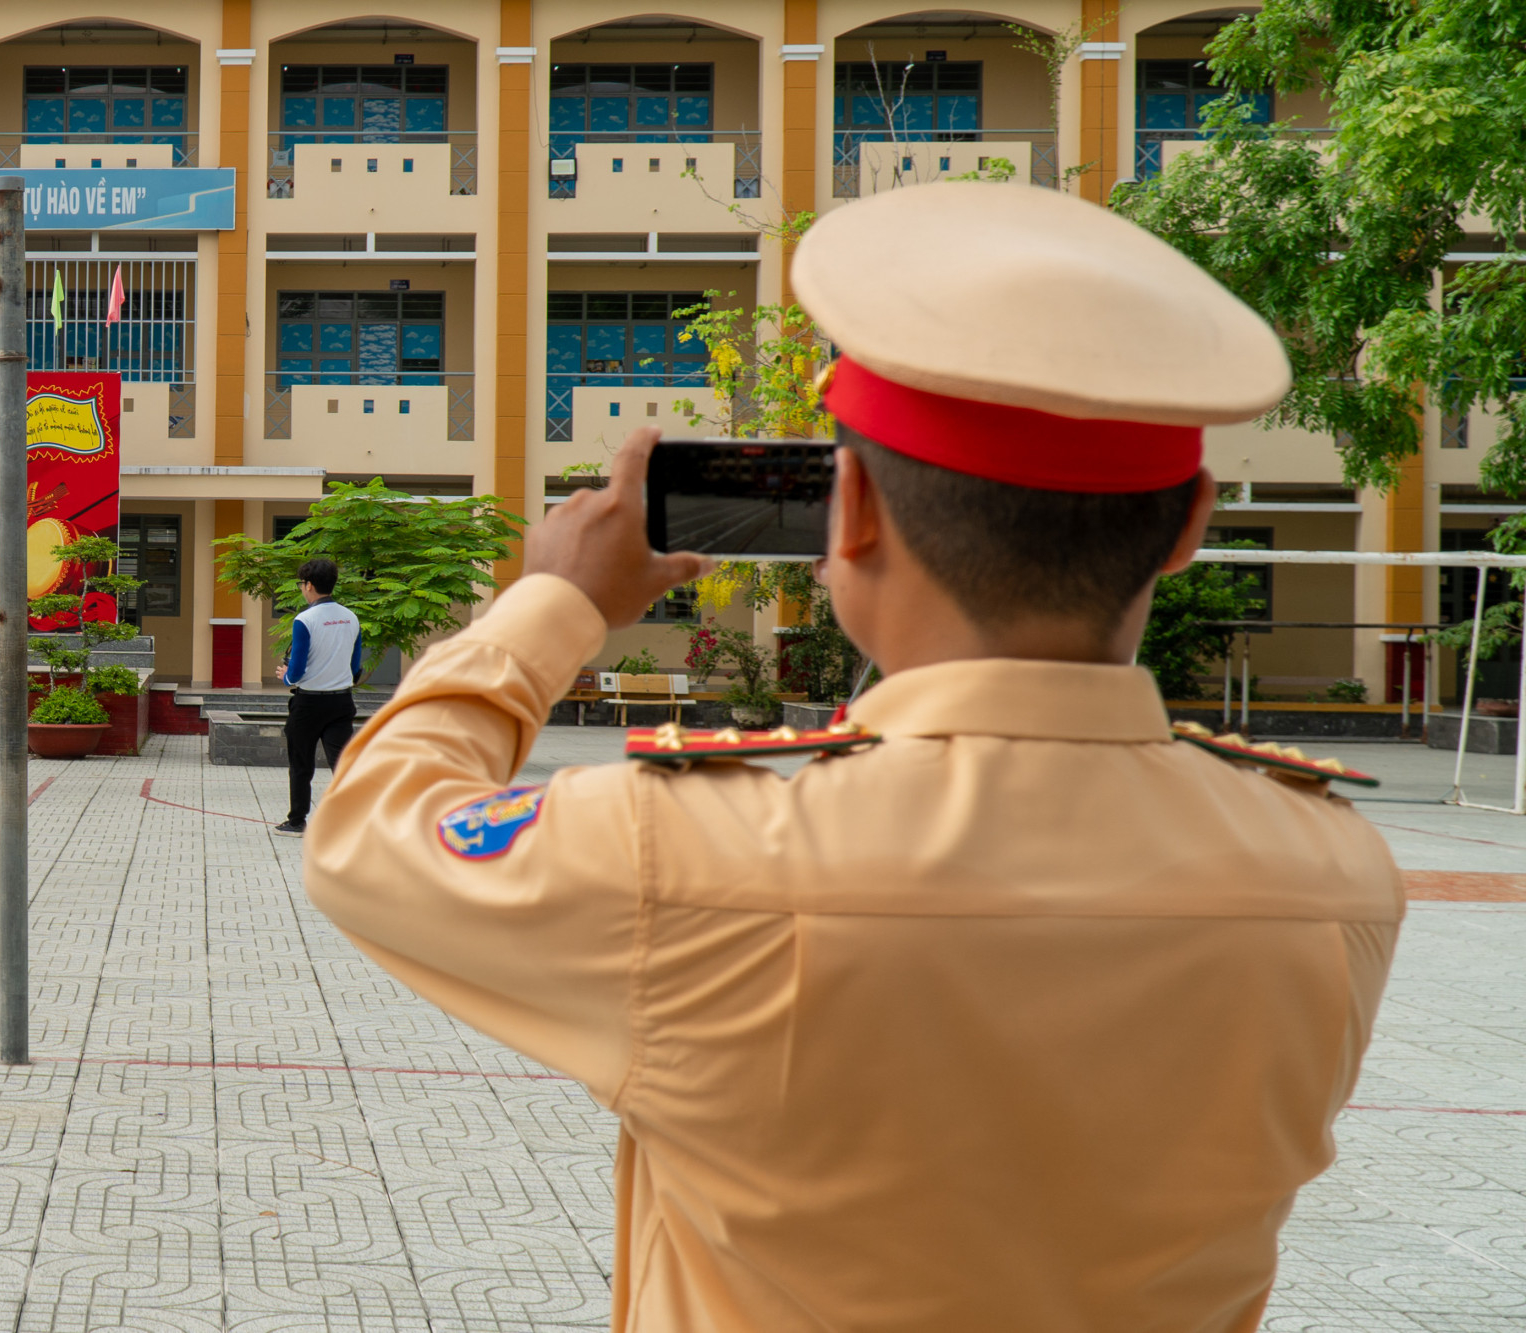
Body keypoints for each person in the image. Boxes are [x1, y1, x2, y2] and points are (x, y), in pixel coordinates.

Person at [303, 182, 1403, 1332]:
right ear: (1185, 525)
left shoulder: (687, 857)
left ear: (851, 511)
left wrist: (552, 602)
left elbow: (372, 827)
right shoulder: (1330, 872)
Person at [274, 556, 362, 837]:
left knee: (301, 763)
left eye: (302, 583)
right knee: (342, 763)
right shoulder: (351, 617)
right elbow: (355, 666)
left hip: (309, 702)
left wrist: (284, 676)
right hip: (341, 701)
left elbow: (296, 672)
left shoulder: (305, 619)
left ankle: (297, 820)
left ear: (309, 585)